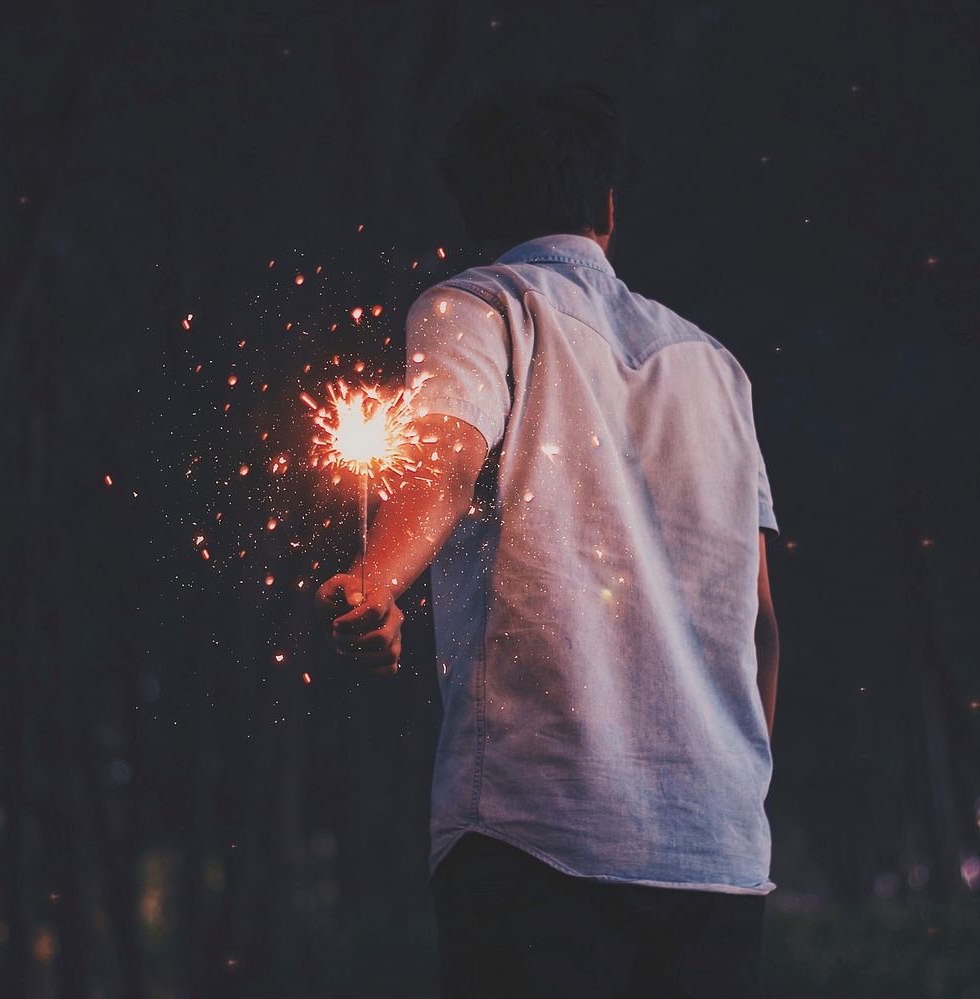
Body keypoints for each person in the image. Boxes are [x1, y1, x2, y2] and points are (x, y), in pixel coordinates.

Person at [315, 77, 781, 999]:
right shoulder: (717, 368)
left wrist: (378, 577)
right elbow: (762, 625)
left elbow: (444, 461)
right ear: (608, 205)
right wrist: (729, 792)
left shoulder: (477, 305)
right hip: (719, 860)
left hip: (539, 840)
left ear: (477, 211)